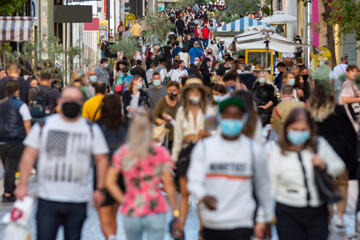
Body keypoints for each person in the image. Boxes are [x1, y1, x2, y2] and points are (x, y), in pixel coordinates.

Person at [15, 86, 109, 240]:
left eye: (75, 100)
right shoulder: (43, 126)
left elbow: (102, 159)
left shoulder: (91, 129)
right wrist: (22, 185)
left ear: (81, 104)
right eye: (67, 99)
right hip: (48, 198)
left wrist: (100, 189)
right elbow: (29, 155)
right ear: (59, 101)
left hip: (77, 199)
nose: (71, 103)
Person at [187, 97, 273, 240]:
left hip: (242, 221)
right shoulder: (204, 148)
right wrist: (203, 195)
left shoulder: (254, 151)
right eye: (227, 115)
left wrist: (265, 218)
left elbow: (263, 188)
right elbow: (193, 180)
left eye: (237, 116)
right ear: (219, 117)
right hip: (212, 221)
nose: (231, 120)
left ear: (244, 119)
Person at [268, 108, 345, 240]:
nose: (299, 133)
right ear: (287, 129)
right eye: (295, 129)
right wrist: (264, 217)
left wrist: (325, 165)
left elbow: (340, 167)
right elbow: (270, 186)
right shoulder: (278, 152)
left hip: (316, 210)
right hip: (288, 211)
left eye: (303, 130)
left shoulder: (319, 145)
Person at [106, 108, 178, 240]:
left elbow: (110, 182)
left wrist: (123, 200)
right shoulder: (161, 152)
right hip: (155, 207)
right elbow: (168, 185)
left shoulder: (122, 153)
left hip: (132, 208)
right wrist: (176, 211)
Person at [307, 81, 357, 228]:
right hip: (341, 152)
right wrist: (353, 152)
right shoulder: (339, 109)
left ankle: (328, 217)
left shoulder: (309, 111)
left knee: (325, 185)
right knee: (342, 184)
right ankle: (340, 216)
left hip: (320, 153)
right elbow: (350, 132)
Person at [172, 78, 215, 239]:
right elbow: (177, 138)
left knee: (202, 194)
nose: (195, 94)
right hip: (186, 151)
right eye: (192, 91)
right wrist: (173, 158)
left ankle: (202, 230)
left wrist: (207, 133)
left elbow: (215, 133)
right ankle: (181, 228)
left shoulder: (209, 111)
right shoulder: (182, 111)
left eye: (197, 91)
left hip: (204, 151)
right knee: (184, 192)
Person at [96, 95, 128, 240]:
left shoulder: (97, 126)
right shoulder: (126, 125)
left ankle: (110, 237)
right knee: (113, 216)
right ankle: (113, 236)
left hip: (101, 176)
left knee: (104, 218)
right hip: (120, 176)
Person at [0, 82, 31, 202]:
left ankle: (11, 190)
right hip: (16, 141)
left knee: (7, 167)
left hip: (1, 141)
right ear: (16, 91)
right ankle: (7, 193)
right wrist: (30, 140)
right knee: (11, 168)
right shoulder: (21, 105)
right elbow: (27, 124)